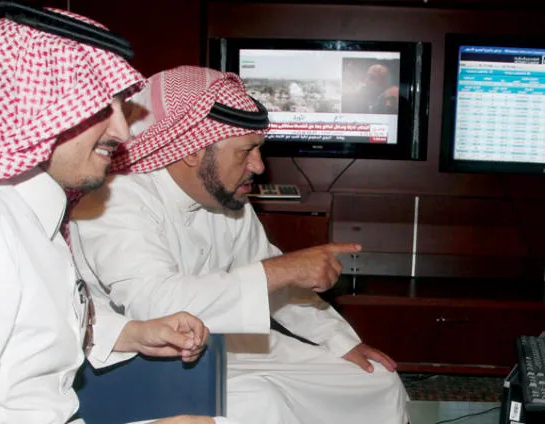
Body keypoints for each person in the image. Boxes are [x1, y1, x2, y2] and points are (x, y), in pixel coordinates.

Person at [0, 7, 224, 424]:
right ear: (28, 104)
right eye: (99, 107)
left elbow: (26, 328)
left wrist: (129, 333)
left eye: (120, 107)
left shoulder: (28, 213)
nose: (122, 132)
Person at [70, 66, 410, 424]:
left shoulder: (225, 198)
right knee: (264, 403)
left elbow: (278, 284)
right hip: (136, 362)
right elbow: (156, 305)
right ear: (192, 151)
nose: (259, 166)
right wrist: (284, 269)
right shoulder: (114, 200)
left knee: (376, 381)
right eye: (246, 151)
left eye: (259, 149)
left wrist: (340, 340)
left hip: (219, 345)